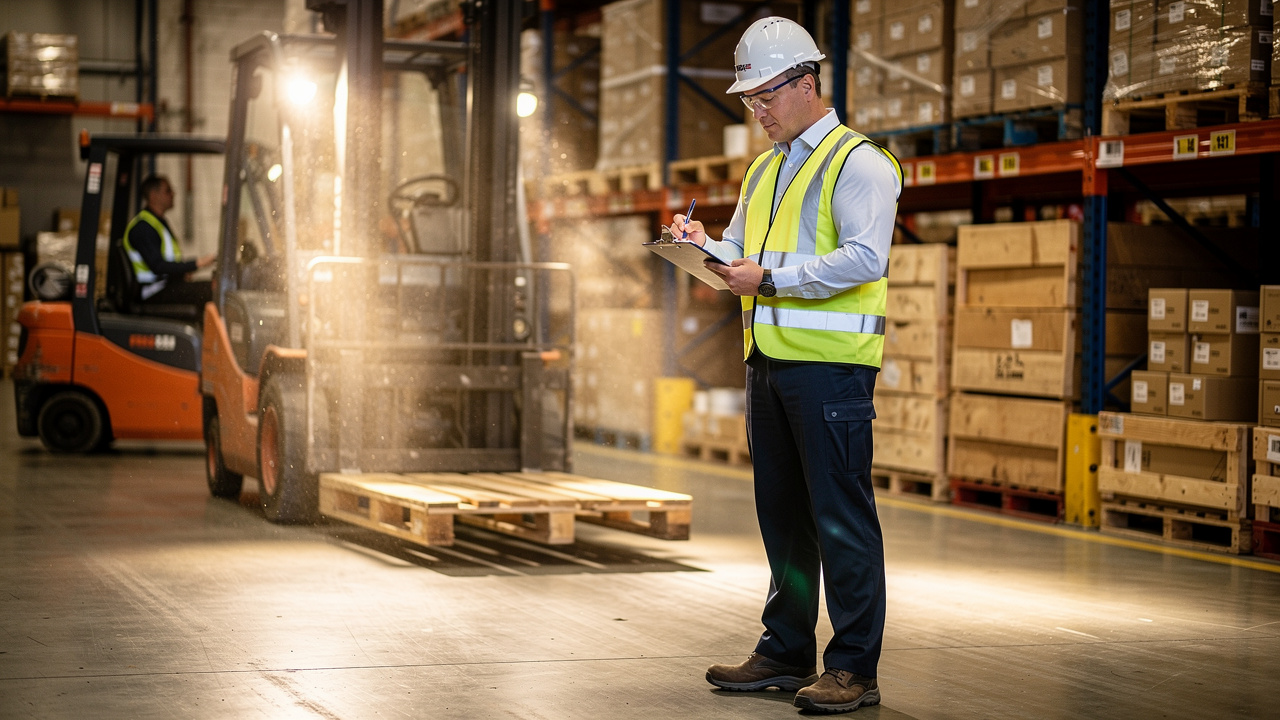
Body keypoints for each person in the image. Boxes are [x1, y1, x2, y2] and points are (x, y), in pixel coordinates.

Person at [671, 16, 902, 715]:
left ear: (806, 84)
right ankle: (785, 650)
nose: (758, 110)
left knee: (840, 519)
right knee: (784, 517)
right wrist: (699, 244)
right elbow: (739, 248)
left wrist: (769, 279)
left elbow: (866, 258)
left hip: (831, 371)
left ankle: (854, 667)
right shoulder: (765, 167)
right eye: (750, 100)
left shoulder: (858, 162)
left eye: (766, 96)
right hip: (768, 363)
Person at [122, 174, 216, 308]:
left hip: (164, 286)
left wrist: (182, 273)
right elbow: (158, 266)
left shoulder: (158, 222)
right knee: (211, 290)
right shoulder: (143, 228)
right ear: (153, 195)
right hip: (152, 292)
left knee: (213, 285)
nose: (173, 194)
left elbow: (167, 262)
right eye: (168, 190)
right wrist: (197, 263)